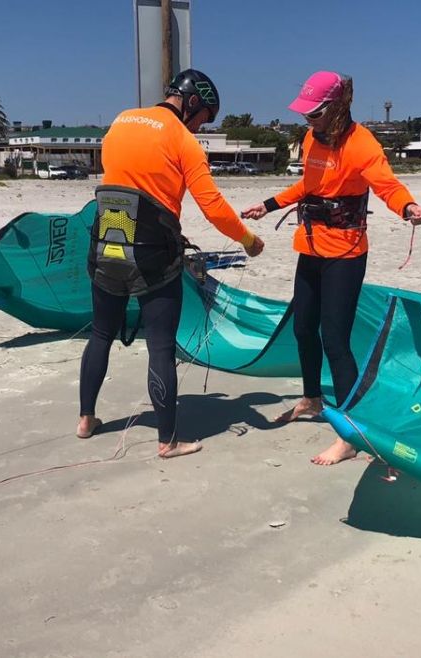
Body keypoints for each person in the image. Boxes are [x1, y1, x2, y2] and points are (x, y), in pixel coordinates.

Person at [241, 71, 421, 465]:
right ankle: (311, 398)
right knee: (303, 327)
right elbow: (307, 187)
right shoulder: (311, 138)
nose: (307, 121)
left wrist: (408, 207)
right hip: (310, 246)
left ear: (337, 107)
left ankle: (350, 432)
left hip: (345, 252)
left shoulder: (362, 144)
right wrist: (269, 204)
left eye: (315, 113)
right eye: (305, 114)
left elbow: (387, 185)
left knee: (335, 339)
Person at [78, 69, 265, 459]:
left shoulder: (121, 121)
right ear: (193, 101)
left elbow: (118, 175)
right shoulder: (183, 140)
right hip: (152, 249)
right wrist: (248, 240)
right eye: (204, 118)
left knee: (101, 333)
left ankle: (86, 419)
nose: (200, 127)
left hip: (108, 238)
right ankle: (168, 441)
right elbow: (213, 207)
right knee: (161, 347)